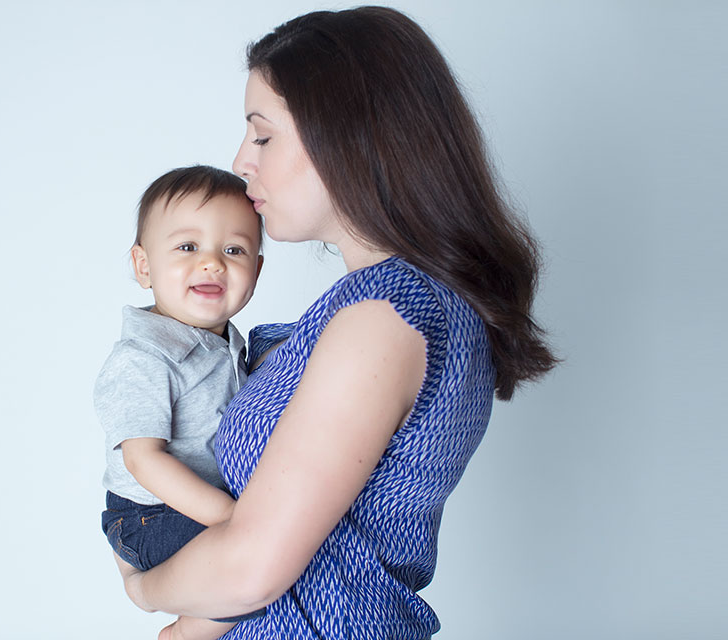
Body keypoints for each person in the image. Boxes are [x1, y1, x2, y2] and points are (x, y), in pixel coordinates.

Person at [118, 7, 560, 640]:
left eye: (263, 136)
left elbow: (251, 569)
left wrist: (142, 590)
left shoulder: (384, 317)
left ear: (347, 135)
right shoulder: (405, 304)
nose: (242, 161)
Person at [96, 165, 267, 640]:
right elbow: (143, 460)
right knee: (263, 563)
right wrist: (231, 519)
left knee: (276, 554)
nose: (212, 263)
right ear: (144, 265)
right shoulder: (144, 358)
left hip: (196, 508)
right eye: (188, 247)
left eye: (234, 250)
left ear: (255, 270)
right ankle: (185, 635)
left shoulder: (226, 344)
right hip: (149, 516)